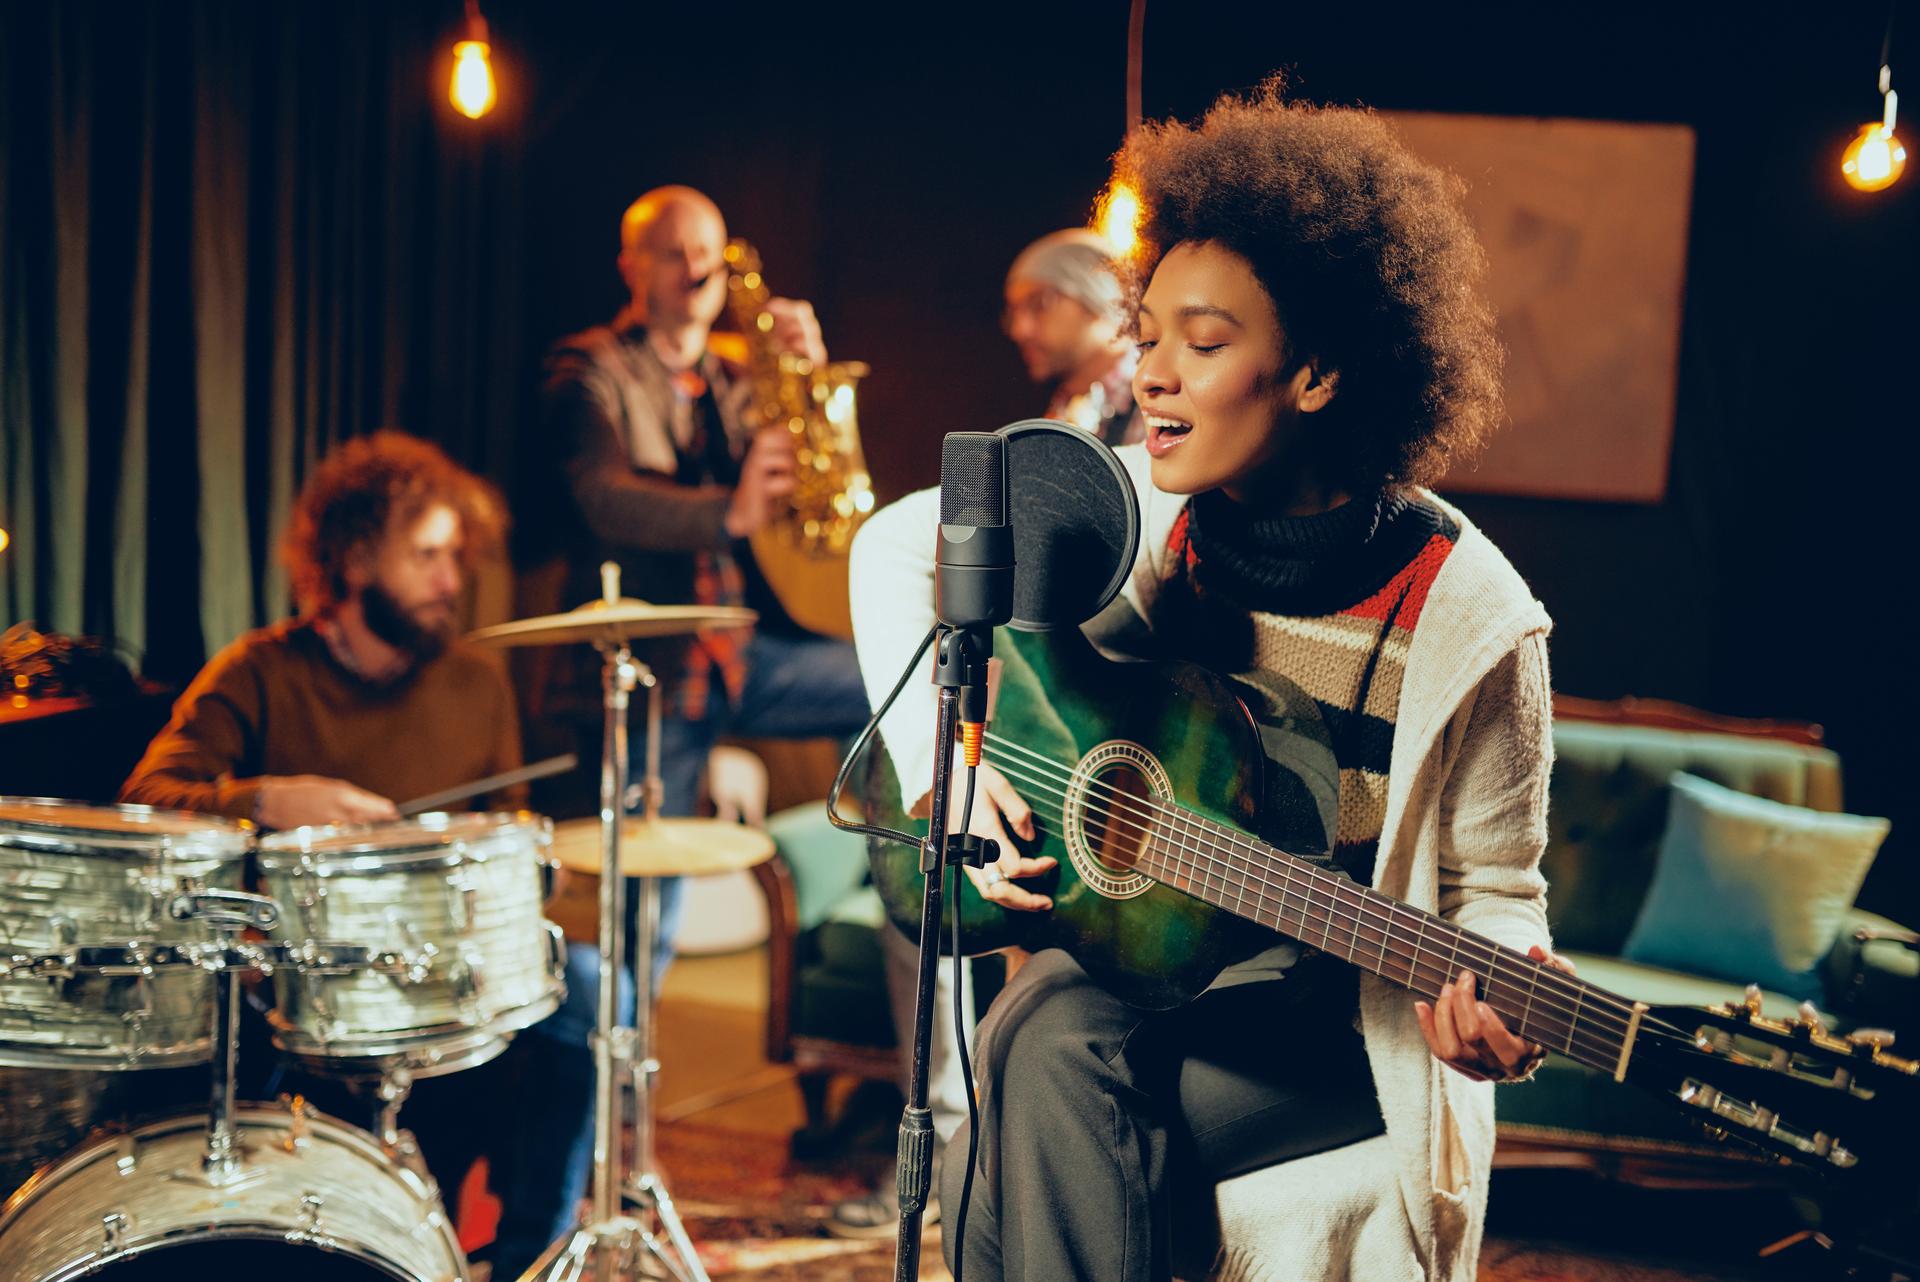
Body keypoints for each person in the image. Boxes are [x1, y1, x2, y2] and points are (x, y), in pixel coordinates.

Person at [849, 82, 1572, 1282]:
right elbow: (894, 546)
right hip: (1159, 973)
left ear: (1319, 372)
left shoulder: (1475, 620)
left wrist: (1501, 1002)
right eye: (1148, 337)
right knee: (1042, 1032)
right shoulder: (1136, 509)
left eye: (1206, 341)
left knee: (1032, 1037)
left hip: (1339, 1037)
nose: (1155, 377)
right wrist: (953, 774)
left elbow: (1500, 891)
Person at [119, 430, 589, 1280]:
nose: (454, 581)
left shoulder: (477, 682)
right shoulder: (260, 671)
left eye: (456, 556)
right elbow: (146, 797)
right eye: (428, 557)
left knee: (591, 995)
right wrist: (266, 800)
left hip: (451, 974)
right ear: (355, 558)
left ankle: (528, 1261)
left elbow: (509, 840)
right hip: (304, 978)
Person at [1003, 228, 1143, 446]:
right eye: (1013, 313)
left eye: (1040, 303)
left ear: (1097, 296)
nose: (1020, 330)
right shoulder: (1061, 412)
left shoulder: (1155, 396)